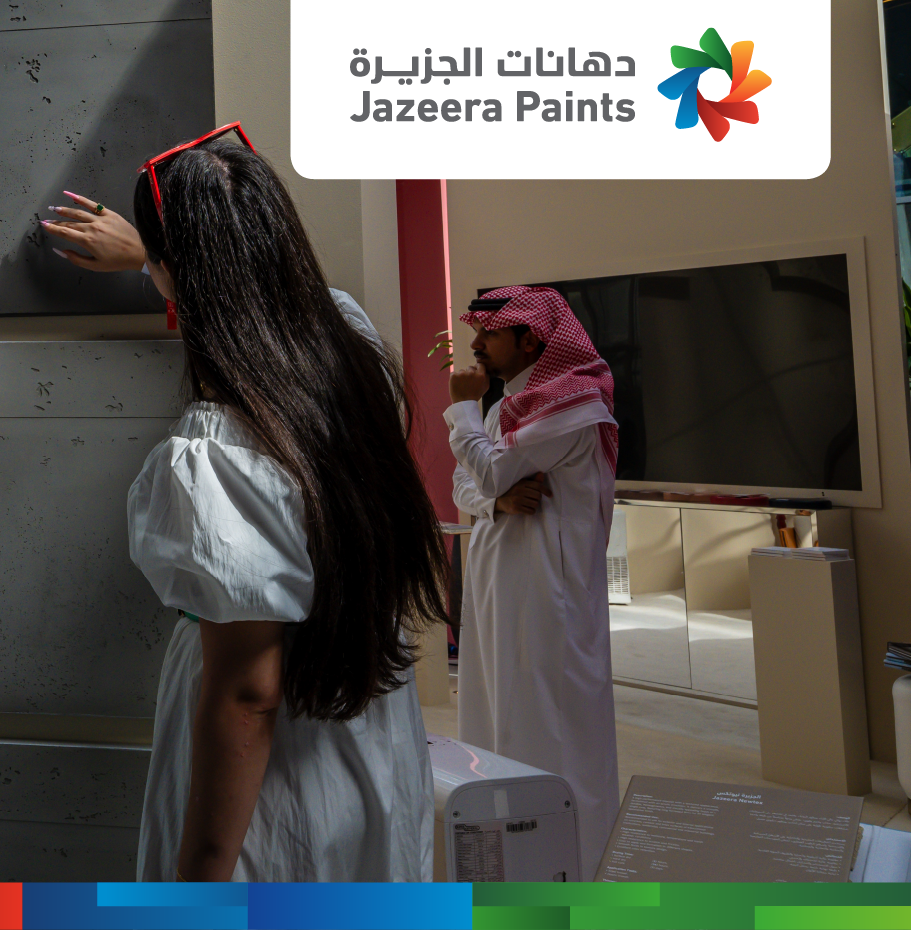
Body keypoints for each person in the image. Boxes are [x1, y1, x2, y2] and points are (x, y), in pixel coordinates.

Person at [43, 129, 449, 882]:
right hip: (367, 746)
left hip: (276, 791)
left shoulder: (217, 450)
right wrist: (154, 262)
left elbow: (247, 693)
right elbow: (260, 305)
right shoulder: (350, 341)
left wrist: (199, 875)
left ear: (176, 267)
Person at [446, 285, 620, 879]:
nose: (476, 344)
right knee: (495, 719)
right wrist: (495, 501)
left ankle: (572, 872)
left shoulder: (573, 406)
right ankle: (511, 866)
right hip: (499, 589)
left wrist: (462, 411)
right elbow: (468, 484)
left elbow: (488, 469)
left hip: (549, 601)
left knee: (551, 730)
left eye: (489, 333)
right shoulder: (508, 410)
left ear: (530, 339)